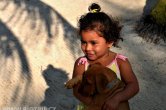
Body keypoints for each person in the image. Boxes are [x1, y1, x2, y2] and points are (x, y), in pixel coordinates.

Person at [72, 3, 139, 110]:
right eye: (84, 42)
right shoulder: (82, 63)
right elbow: (76, 91)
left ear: (109, 42)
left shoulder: (120, 62)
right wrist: (94, 103)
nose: (88, 48)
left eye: (93, 43)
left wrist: (117, 99)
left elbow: (133, 86)